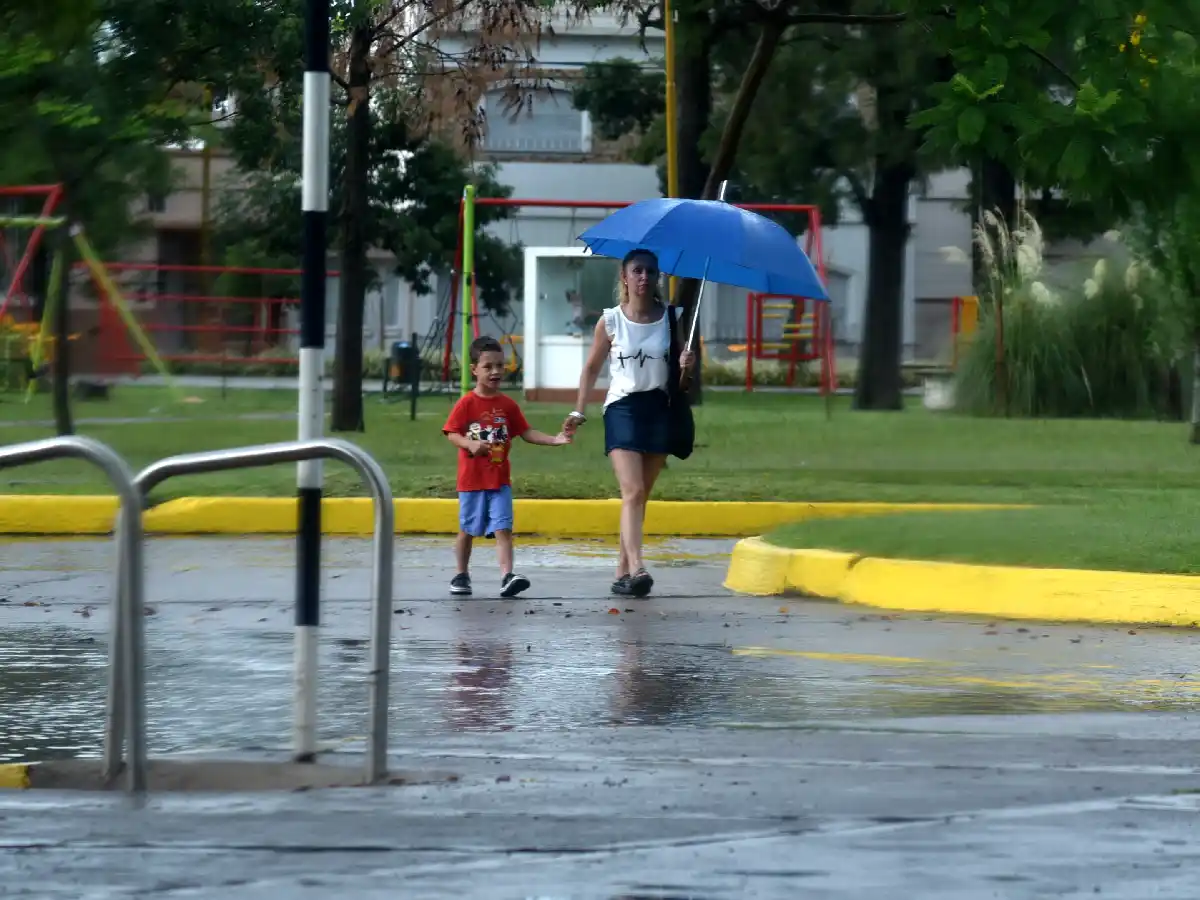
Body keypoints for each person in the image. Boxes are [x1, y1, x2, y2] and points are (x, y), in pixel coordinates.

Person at [561, 248, 694, 598]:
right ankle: (637, 568)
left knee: (639, 496)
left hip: (659, 408)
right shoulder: (611, 320)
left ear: (657, 278)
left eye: (651, 271)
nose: (644, 277)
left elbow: (681, 384)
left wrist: (686, 365)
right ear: (624, 276)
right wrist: (578, 410)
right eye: (637, 271)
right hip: (622, 408)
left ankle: (622, 570)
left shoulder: (671, 317)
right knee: (632, 490)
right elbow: (591, 368)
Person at [444, 336, 571, 597]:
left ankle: (507, 576)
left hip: (499, 480)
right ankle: (461, 574)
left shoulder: (507, 405)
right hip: (472, 480)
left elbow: (526, 432)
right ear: (474, 370)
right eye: (488, 366)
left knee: (503, 527)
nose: (495, 372)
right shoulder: (467, 403)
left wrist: (554, 440)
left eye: (500, 366)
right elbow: (451, 432)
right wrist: (469, 444)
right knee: (468, 529)